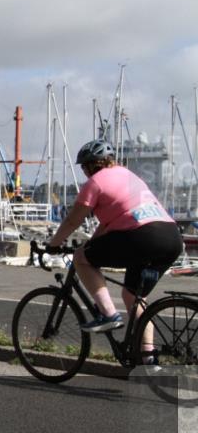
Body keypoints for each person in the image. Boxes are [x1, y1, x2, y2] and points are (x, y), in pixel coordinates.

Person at [47, 139, 183, 337]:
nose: (84, 172)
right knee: (132, 298)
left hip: (143, 237)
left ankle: (109, 315)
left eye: (84, 167)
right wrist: (91, 244)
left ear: (91, 165)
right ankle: (149, 360)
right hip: (171, 238)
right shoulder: (129, 175)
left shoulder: (95, 182)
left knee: (80, 259)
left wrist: (53, 246)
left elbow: (71, 222)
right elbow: (107, 224)